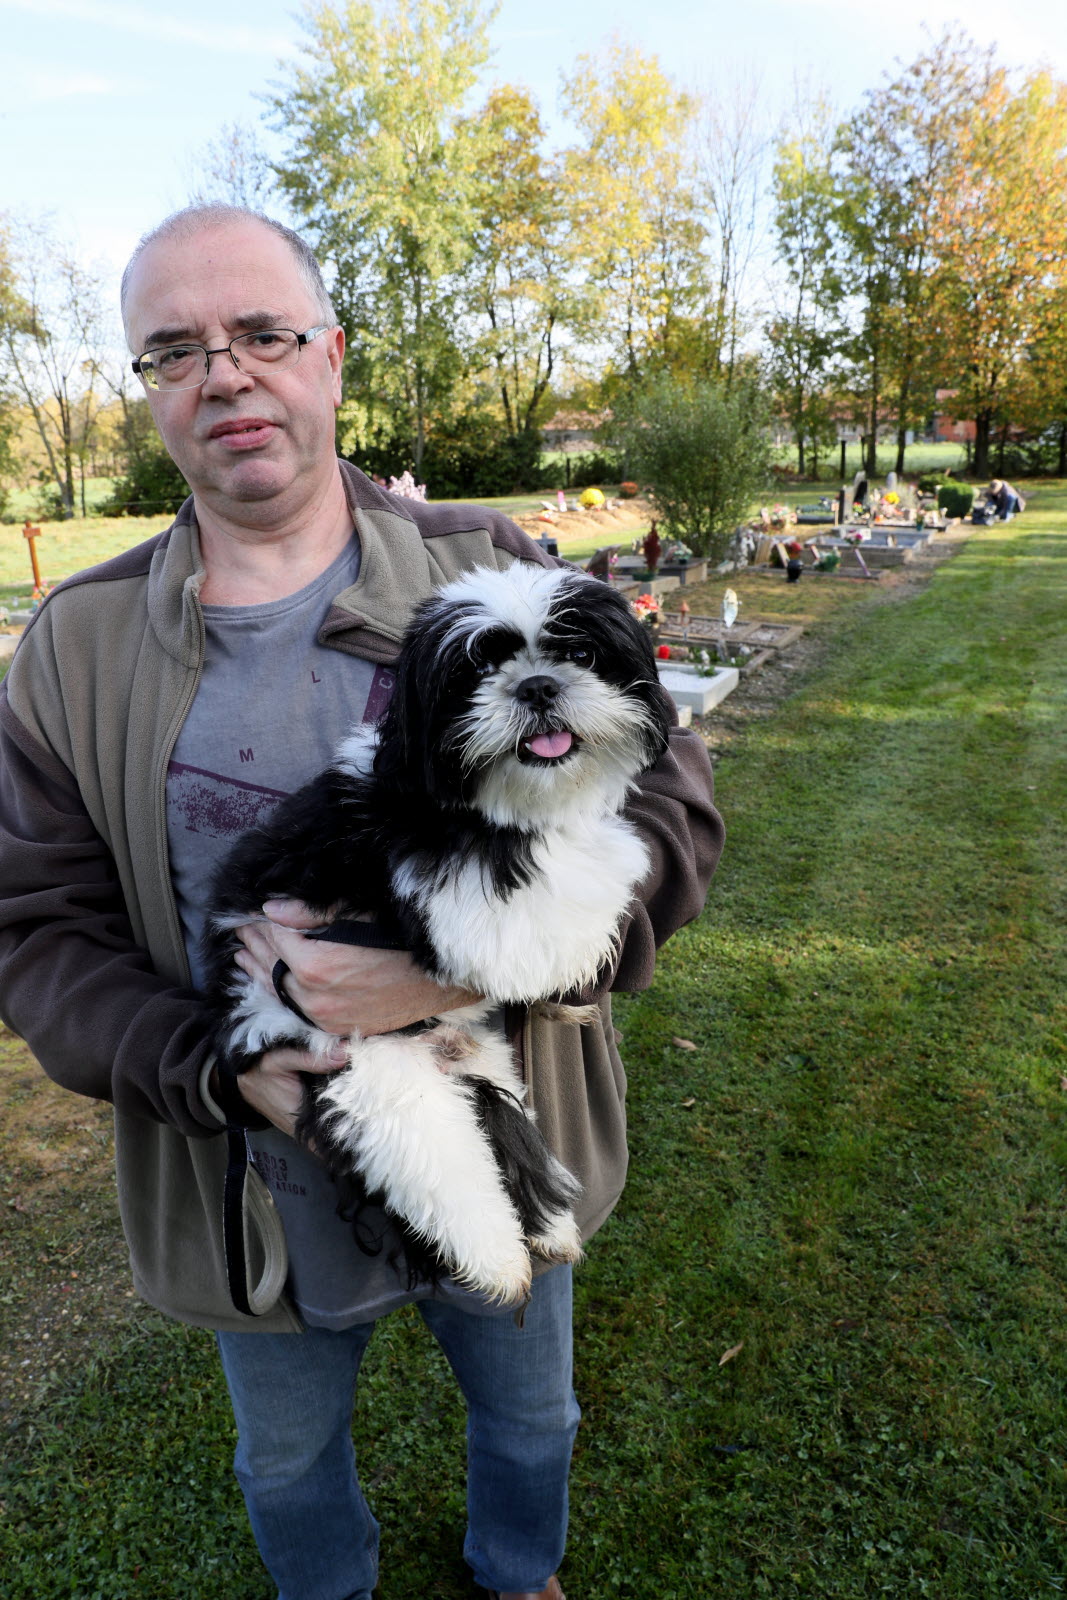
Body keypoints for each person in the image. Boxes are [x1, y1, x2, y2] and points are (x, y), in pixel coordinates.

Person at [0, 205, 723, 1600]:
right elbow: (31, 932)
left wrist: (454, 981)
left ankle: (519, 1574)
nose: (226, 375)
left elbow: (676, 810)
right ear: (148, 390)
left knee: (532, 1414)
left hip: (506, 1114)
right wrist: (230, 1064)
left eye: (263, 334)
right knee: (283, 1467)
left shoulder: (489, 566)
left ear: (331, 357)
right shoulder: (75, 647)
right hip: (243, 1178)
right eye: (176, 351)